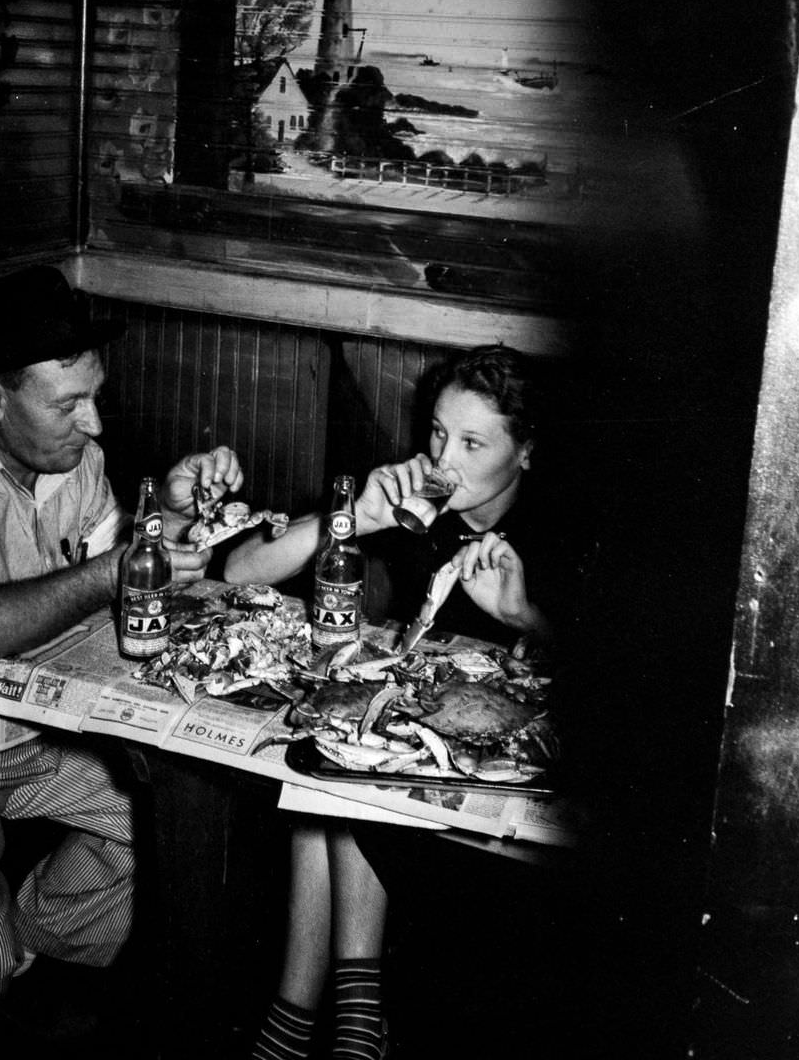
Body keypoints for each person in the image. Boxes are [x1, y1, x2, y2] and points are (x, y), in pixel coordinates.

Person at [0, 266, 243, 1060]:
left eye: (95, 396)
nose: (93, 424)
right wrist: (109, 573)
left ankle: (17, 936)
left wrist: (169, 519)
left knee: (189, 847)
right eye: (68, 404)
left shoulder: (68, 457)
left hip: (36, 738)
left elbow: (113, 581)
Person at [225, 342, 592, 1060]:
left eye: (471, 442)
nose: (442, 460)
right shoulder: (425, 508)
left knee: (332, 789)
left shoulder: (570, 528)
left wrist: (526, 618)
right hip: (414, 762)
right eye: (434, 432)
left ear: (525, 453)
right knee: (328, 766)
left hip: (509, 814)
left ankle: (310, 1009)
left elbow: (633, 684)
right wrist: (356, 517)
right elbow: (240, 572)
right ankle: (339, 1012)